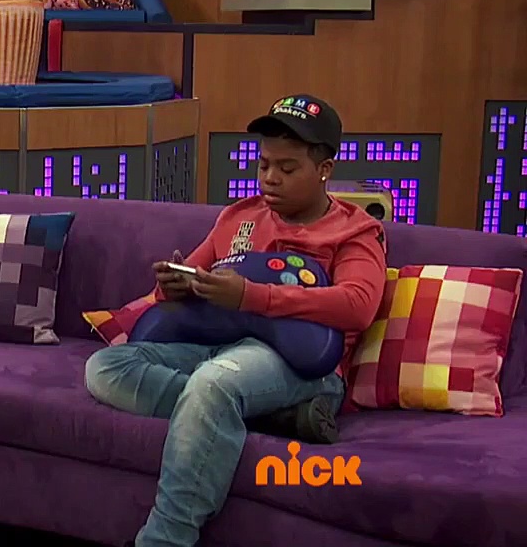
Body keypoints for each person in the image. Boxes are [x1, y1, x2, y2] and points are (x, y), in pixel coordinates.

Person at [85, 94, 387, 547]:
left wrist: (251, 296)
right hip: (216, 347)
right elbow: (195, 271)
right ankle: (270, 418)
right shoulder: (239, 216)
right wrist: (176, 284)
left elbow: (358, 304)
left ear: (324, 169)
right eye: (263, 165)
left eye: (287, 168)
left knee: (213, 385)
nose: (270, 178)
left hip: (303, 366)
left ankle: (165, 539)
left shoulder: (355, 231)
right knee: (106, 367)